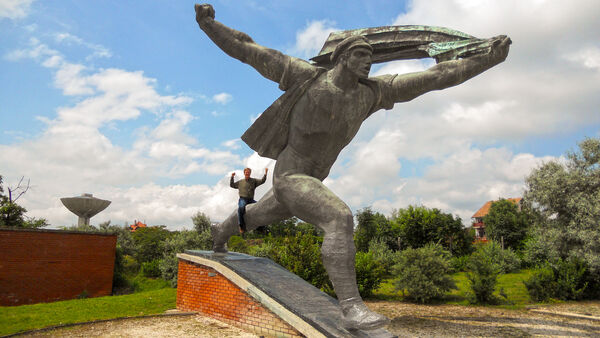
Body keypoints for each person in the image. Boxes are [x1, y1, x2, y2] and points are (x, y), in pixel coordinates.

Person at [195, 3, 510, 330]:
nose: (369, 62)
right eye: (362, 55)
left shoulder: (372, 93)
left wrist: (488, 59)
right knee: (339, 218)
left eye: (371, 57)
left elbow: (437, 76)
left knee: (257, 214)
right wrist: (209, 25)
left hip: (310, 182)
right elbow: (248, 50)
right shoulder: (304, 76)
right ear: (343, 56)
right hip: (291, 177)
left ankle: (221, 232)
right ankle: (351, 308)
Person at [230, 167, 268, 233]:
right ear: (244, 173)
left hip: (251, 200)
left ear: (250, 173)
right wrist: (232, 177)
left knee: (260, 206)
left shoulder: (254, 181)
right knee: (241, 208)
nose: (247, 173)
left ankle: (260, 227)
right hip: (243, 199)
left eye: (248, 172)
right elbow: (232, 185)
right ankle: (241, 226)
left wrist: (265, 174)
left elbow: (262, 181)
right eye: (246, 172)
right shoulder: (240, 182)